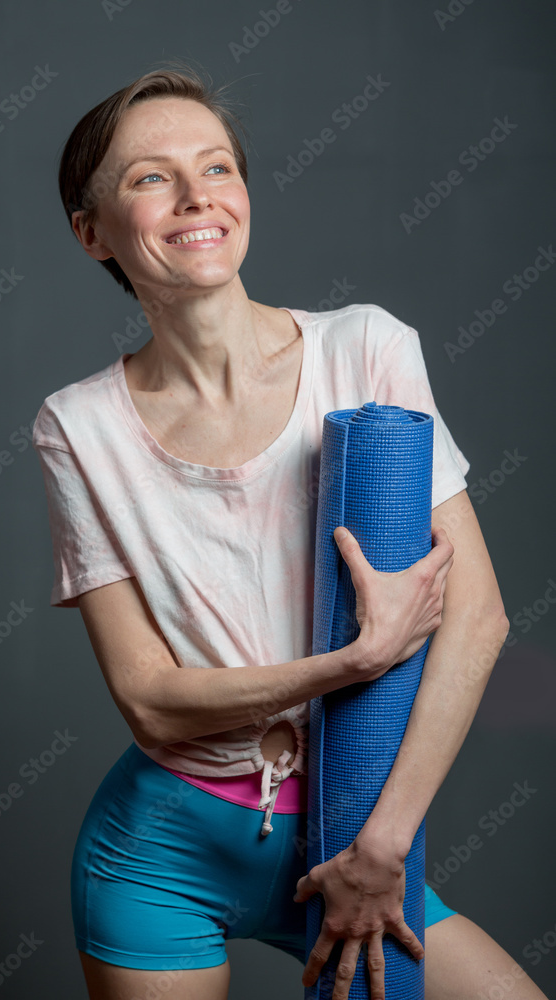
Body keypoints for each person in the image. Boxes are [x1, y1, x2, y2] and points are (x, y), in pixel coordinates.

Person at [32, 63, 547, 1000]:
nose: (197, 196)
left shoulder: (366, 348)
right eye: (150, 177)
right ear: (91, 232)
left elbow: (478, 622)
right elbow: (149, 700)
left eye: (217, 167)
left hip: (355, 829)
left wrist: (381, 850)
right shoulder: (77, 426)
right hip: (161, 856)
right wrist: (352, 662)